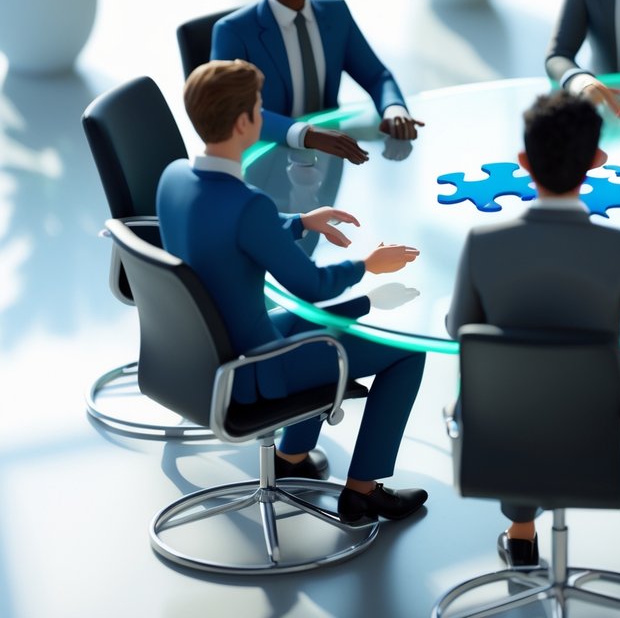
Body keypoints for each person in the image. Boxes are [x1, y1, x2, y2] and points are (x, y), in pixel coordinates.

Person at [157, 59, 429, 524]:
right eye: (259, 108)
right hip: (253, 370)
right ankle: (363, 492)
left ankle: (292, 456)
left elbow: (226, 230)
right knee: (406, 351)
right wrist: (367, 264)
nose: (263, 115)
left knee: (333, 318)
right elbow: (313, 285)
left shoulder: (174, 178)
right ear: (243, 123)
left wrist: (300, 221)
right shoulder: (249, 206)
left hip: (206, 350)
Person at [445, 92, 620, 582]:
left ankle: (521, 534)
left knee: (513, 385)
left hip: (504, 443)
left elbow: (459, 329)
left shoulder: (482, 244)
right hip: (601, 447)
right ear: (596, 161)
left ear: (523, 162)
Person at [212, 0, 422, 165]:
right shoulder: (233, 32)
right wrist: (304, 134)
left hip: (332, 158)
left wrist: (393, 108)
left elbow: (376, 76)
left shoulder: (335, 13)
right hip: (266, 160)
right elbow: (233, 107)